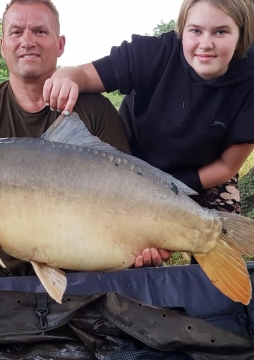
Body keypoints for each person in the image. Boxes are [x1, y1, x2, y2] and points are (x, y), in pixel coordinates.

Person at [0, 0, 169, 279]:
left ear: (60, 44)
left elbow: (129, 190)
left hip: (90, 274)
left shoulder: (95, 110)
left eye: (40, 31)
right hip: (2, 278)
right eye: (16, 32)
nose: (27, 41)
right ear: (2, 45)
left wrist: (146, 242)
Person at [43, 0, 254, 226]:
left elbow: (226, 166)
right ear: (182, 30)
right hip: (131, 167)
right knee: (131, 244)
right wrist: (63, 78)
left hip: (204, 174)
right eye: (195, 31)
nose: (205, 44)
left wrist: (168, 188)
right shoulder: (153, 52)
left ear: (242, 35)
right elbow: (81, 74)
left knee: (222, 237)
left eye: (220, 32)